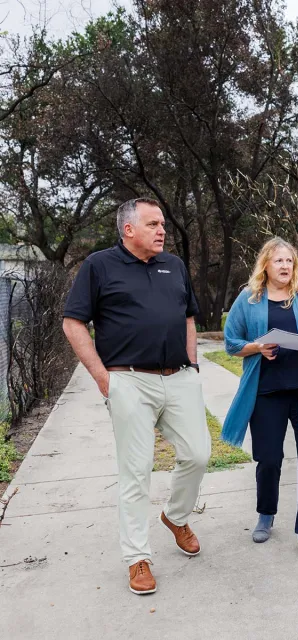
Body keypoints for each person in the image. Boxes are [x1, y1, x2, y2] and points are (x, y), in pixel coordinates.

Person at [62, 198, 211, 595]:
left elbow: (188, 316)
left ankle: (175, 516)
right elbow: (73, 322)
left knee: (198, 454)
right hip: (128, 380)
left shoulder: (174, 266)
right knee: (136, 472)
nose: (162, 230)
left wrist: (192, 365)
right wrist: (102, 377)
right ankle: (137, 557)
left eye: (163, 223)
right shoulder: (99, 266)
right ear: (128, 229)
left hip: (178, 378)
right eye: (153, 224)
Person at [222, 237, 298, 560]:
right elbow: (231, 342)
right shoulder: (249, 300)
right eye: (278, 261)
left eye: (289, 261)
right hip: (266, 393)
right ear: (265, 265)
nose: (285, 266)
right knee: (269, 459)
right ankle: (266, 513)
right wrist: (258, 347)